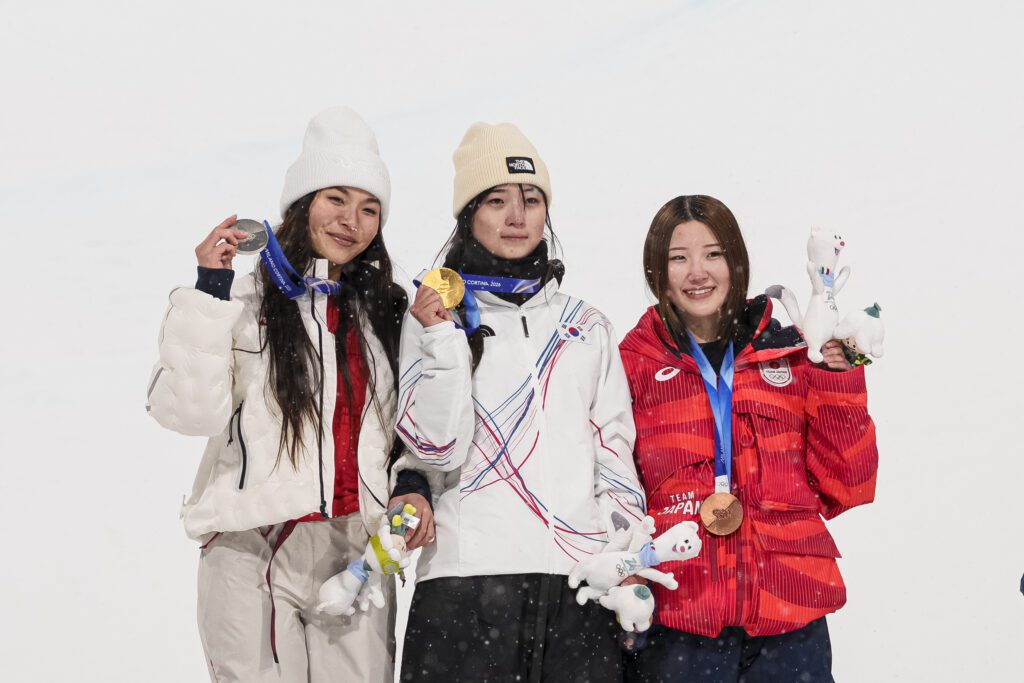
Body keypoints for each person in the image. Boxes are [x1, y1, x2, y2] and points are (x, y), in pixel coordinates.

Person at [146, 106, 433, 683]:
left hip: (356, 550)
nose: (352, 220)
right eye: (337, 199)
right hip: (253, 544)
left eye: (369, 208)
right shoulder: (244, 300)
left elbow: (412, 429)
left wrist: (413, 488)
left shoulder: (386, 311)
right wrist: (209, 291)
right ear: (302, 203)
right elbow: (187, 411)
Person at [394, 122, 647, 682]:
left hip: (578, 587)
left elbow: (615, 451)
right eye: (497, 200)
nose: (517, 215)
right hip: (464, 587)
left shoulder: (586, 326)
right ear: (469, 215)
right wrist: (442, 338)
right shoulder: (431, 317)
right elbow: (432, 447)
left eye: (531, 200)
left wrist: (628, 557)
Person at [619, 195, 878, 682]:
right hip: (678, 622)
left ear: (736, 261)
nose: (698, 272)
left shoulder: (794, 354)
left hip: (789, 625)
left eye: (713, 253)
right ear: (657, 270)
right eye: (679, 258)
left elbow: (848, 485)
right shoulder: (629, 365)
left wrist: (840, 380)